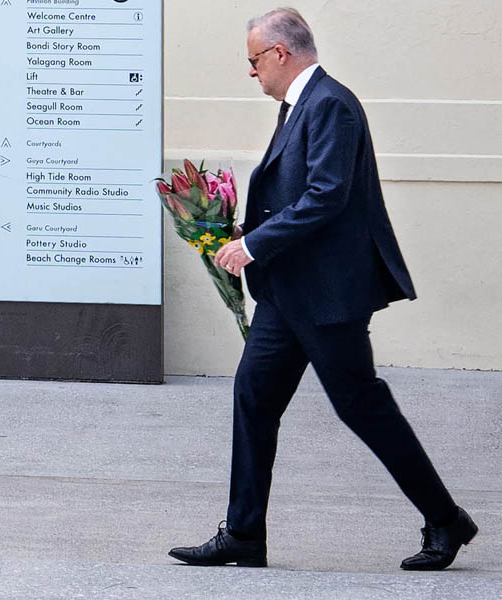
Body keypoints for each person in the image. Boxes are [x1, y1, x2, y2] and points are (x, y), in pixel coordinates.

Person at [168, 7, 477, 570]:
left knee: (362, 406)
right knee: (253, 398)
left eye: (254, 60)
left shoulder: (330, 103)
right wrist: (247, 231)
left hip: (327, 295)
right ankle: (243, 534)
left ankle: (446, 519)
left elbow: (327, 195)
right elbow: (297, 195)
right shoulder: (301, 105)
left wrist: (254, 246)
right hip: (288, 293)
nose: (252, 72)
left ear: (280, 54)